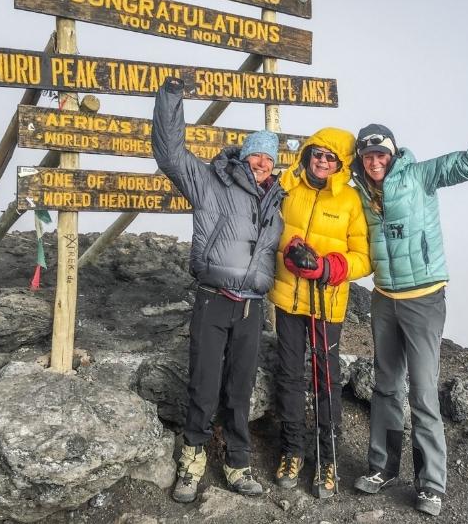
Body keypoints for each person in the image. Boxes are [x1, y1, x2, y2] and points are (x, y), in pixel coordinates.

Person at [350, 75, 468, 516]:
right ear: (361, 158)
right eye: (368, 154)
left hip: (424, 299)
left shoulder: (421, 176)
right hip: (384, 299)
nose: (375, 161)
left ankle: (431, 484)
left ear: (393, 153)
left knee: (423, 393)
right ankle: (382, 468)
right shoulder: (358, 195)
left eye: (381, 153)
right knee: (386, 388)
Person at [152, 76, 286, 503]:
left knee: (239, 391)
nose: (262, 163)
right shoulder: (211, 182)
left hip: (252, 309)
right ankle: (191, 466)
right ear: (244, 157)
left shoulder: (278, 202)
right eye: (256, 155)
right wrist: (171, 97)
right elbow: (170, 154)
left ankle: (237, 463)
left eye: (268, 157)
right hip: (213, 301)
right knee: (204, 385)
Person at [269, 127, 372, 498]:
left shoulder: (350, 201)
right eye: (317, 154)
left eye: (331, 157)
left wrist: (328, 268)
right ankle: (291, 451)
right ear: (308, 153)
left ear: (341, 163)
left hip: (327, 305)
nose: (323, 161)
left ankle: (327, 460)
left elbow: (364, 258)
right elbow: (272, 229)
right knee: (289, 375)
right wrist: (289, 247)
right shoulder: (289, 188)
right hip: (287, 298)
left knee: (325, 381)